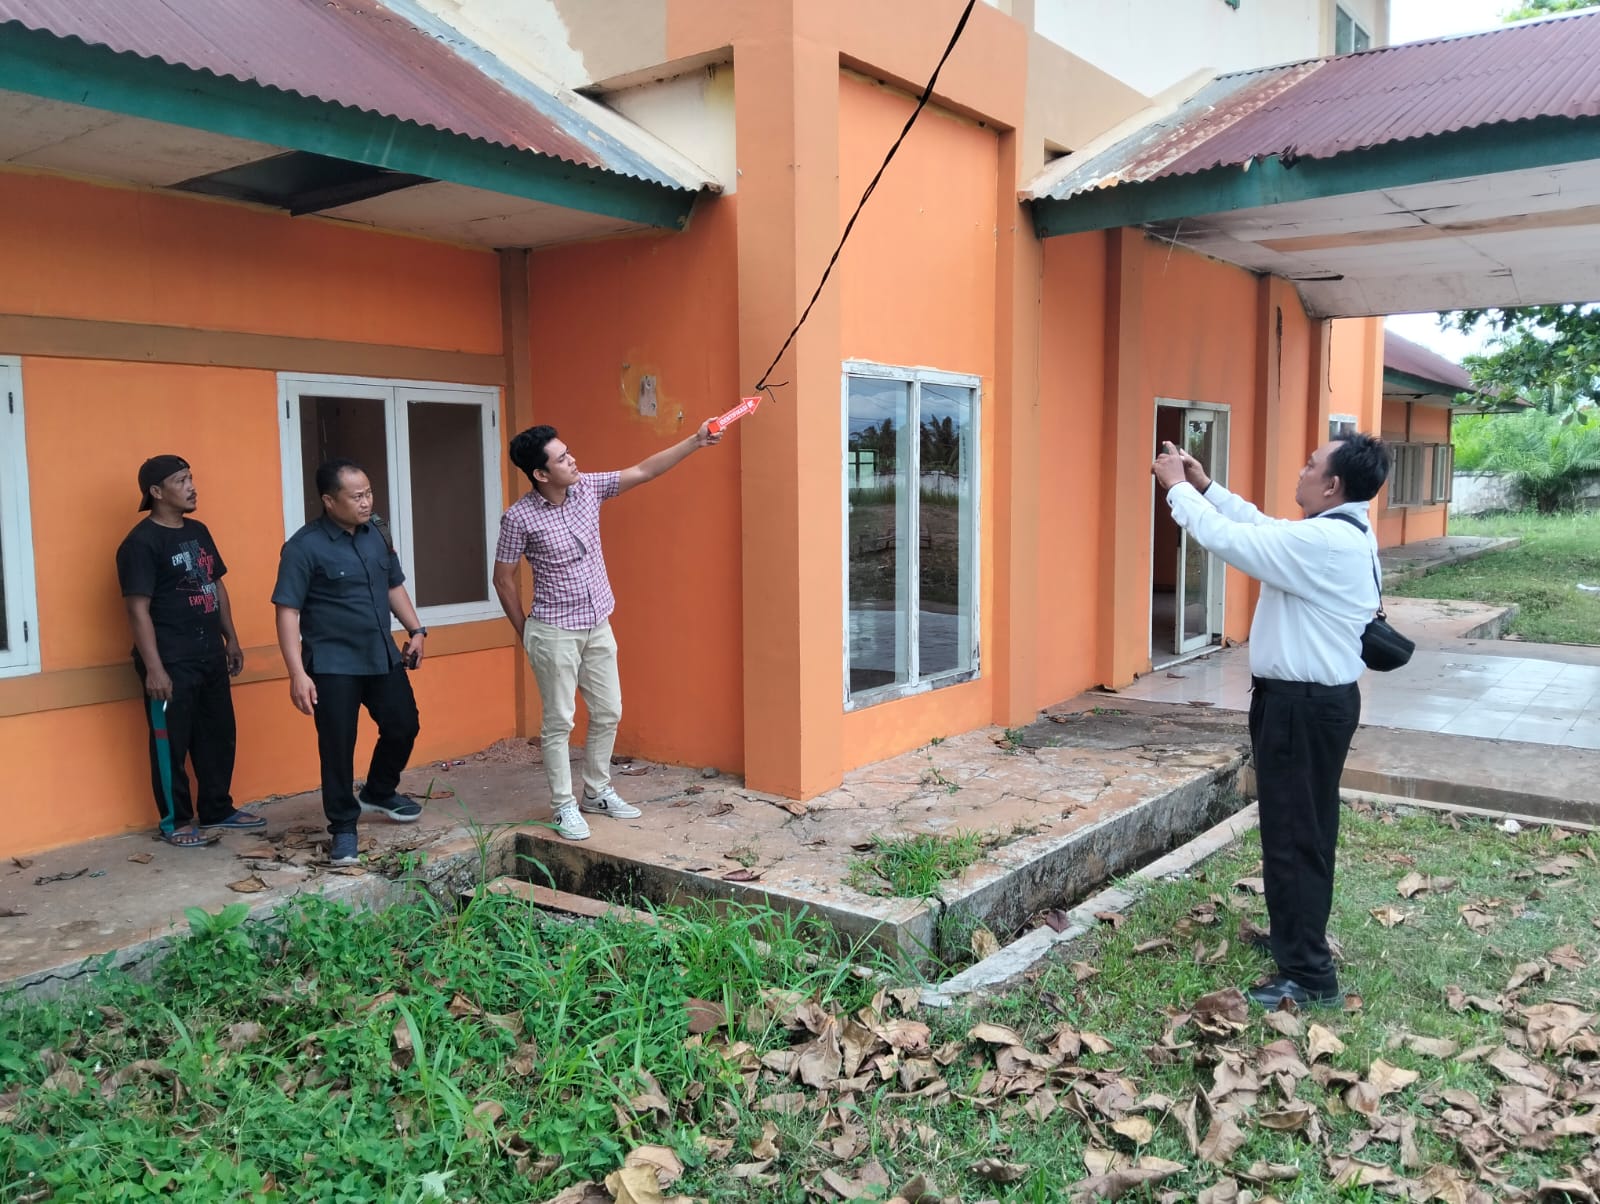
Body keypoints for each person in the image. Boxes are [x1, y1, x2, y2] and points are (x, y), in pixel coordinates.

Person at [1151, 433, 1390, 1009]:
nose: (1302, 471)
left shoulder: (1327, 543)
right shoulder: (1337, 531)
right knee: (1303, 830)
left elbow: (1231, 541)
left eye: (1311, 465)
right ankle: (1298, 943)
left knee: (1292, 836)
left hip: (1301, 710)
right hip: (1308, 705)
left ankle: (1308, 978)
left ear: (1333, 485)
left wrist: (1178, 491)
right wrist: (1206, 485)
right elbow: (1262, 527)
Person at [493, 421, 722, 840]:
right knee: (559, 720)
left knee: (608, 710)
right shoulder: (519, 518)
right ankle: (563, 805)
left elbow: (643, 471)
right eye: (561, 458)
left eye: (568, 451)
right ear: (541, 474)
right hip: (554, 630)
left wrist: (695, 441)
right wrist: (526, 631)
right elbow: (503, 579)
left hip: (597, 624)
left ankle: (596, 792)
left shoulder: (588, 489)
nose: (572, 459)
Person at [272, 459, 427, 866]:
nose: (366, 502)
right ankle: (343, 827)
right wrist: (297, 673)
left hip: (380, 653)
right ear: (328, 501)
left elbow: (392, 584)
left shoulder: (376, 532)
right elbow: (287, 611)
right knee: (338, 746)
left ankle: (378, 789)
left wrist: (416, 630)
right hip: (332, 664)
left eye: (369, 493)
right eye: (356, 496)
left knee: (403, 724)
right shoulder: (303, 547)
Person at [116, 455, 261, 847]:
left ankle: (217, 808)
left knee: (218, 735)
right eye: (182, 480)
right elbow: (137, 609)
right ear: (157, 492)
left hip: (208, 654)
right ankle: (175, 821)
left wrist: (230, 638)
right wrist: (155, 669)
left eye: (191, 478)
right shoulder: (140, 543)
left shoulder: (198, 531)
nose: (192, 486)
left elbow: (215, 585)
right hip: (170, 660)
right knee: (171, 744)